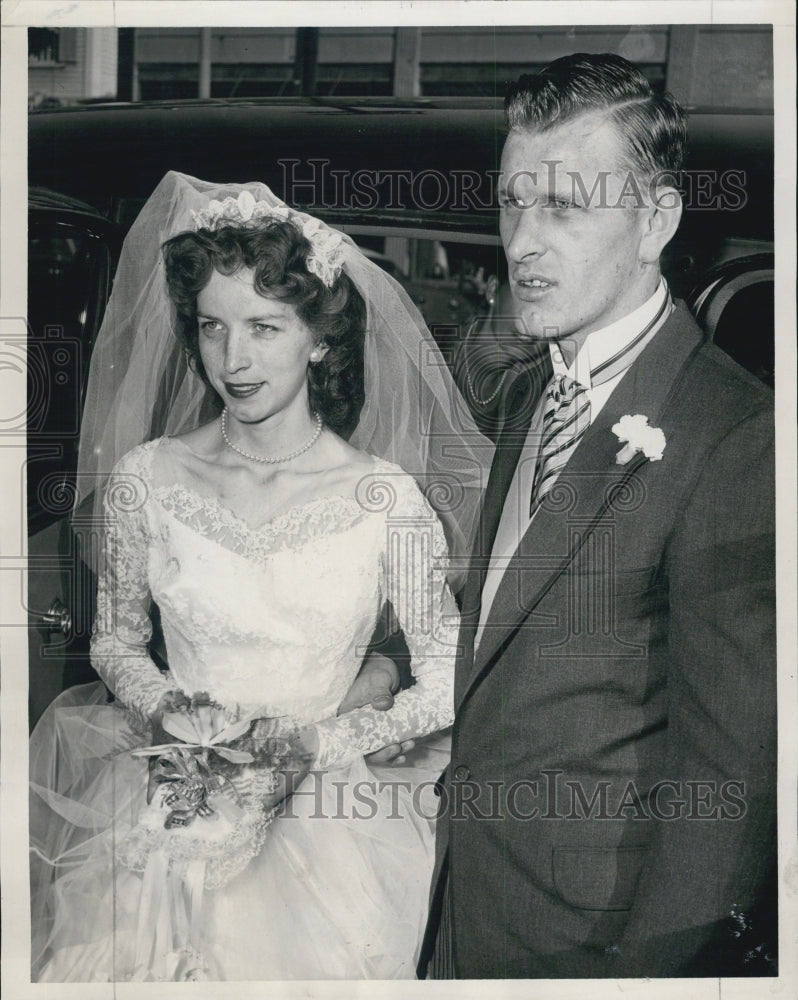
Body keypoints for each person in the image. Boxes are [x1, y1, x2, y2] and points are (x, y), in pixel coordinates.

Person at [29, 172, 492, 982]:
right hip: (169, 805)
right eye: (212, 327)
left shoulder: (384, 497)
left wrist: (317, 744)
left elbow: (450, 677)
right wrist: (173, 710)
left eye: (263, 328)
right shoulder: (149, 478)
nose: (232, 360)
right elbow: (116, 643)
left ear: (319, 338)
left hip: (334, 825)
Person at [417, 53, 777, 978]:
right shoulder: (536, 390)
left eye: (566, 208)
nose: (523, 243)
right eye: (511, 202)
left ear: (657, 219)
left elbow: (730, 787)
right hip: (469, 919)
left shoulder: (737, 440)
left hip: (590, 953)